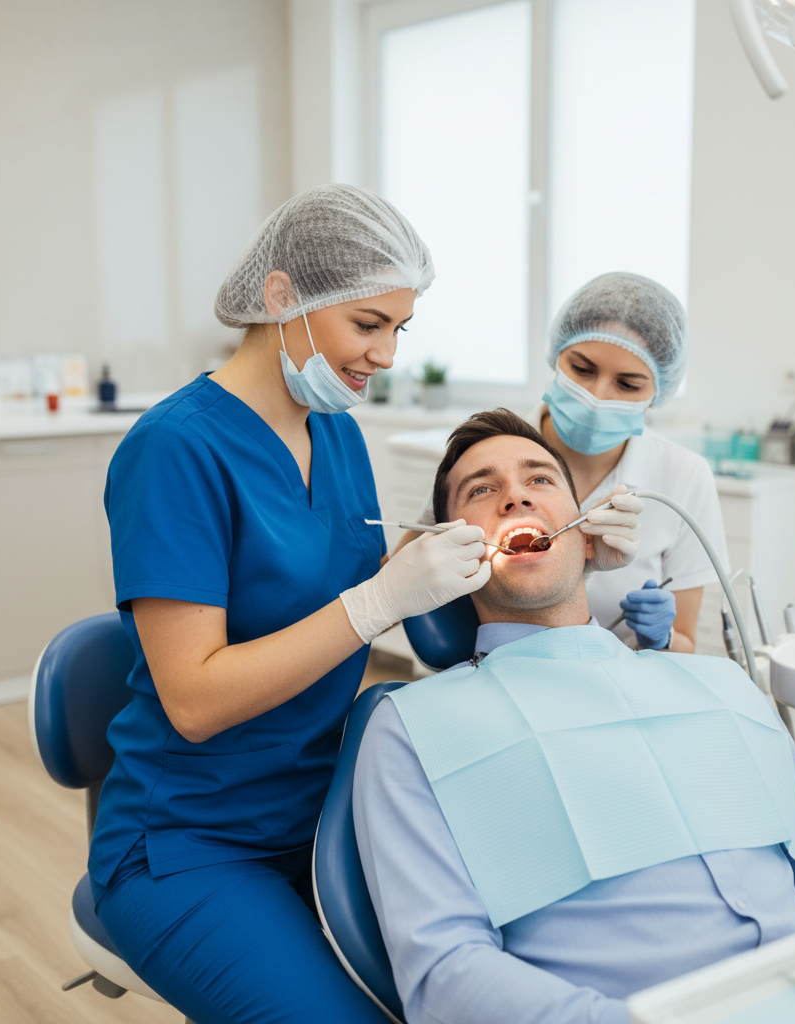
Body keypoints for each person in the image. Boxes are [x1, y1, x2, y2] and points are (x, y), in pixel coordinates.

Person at [88, 184, 493, 1024]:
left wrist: (465, 557)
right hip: (190, 841)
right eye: (368, 324)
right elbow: (195, 701)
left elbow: (345, 584)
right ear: (283, 299)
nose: (386, 355)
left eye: (399, 328)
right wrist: (376, 601)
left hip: (325, 809)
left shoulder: (334, 430)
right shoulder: (176, 449)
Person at [354, 409, 795, 1024]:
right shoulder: (413, 728)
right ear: (449, 548)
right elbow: (444, 974)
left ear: (588, 531)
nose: (515, 497)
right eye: (482, 490)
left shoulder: (720, 685)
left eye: (540, 480)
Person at [408, 271, 726, 653]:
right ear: (557, 355)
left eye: (627, 384)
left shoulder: (684, 478)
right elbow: (403, 582)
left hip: (624, 684)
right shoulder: (483, 454)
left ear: (659, 391)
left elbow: (685, 642)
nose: (596, 396)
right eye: (582, 369)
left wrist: (661, 638)